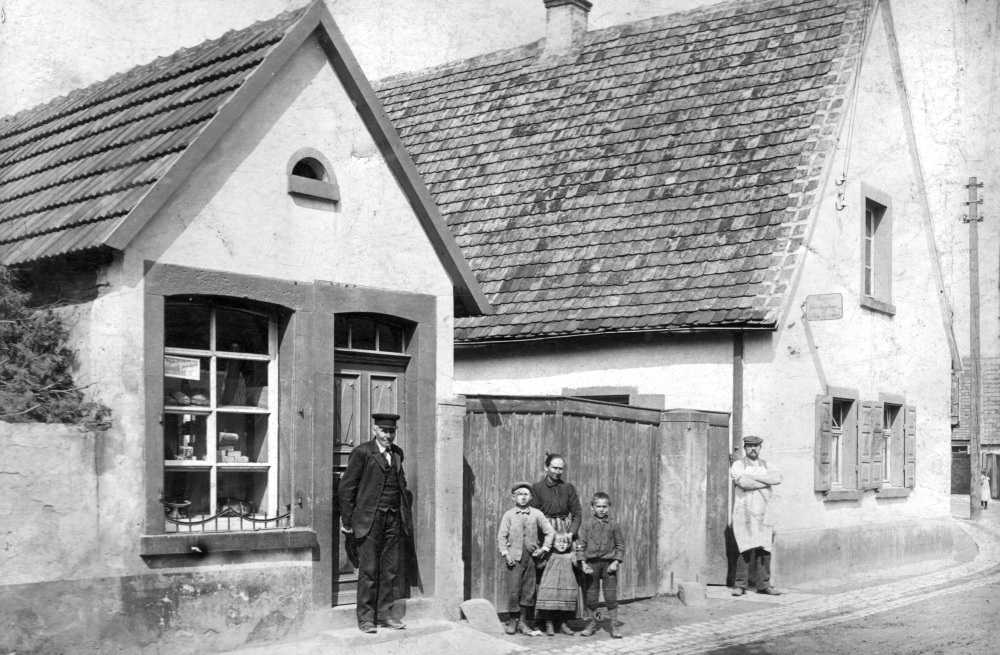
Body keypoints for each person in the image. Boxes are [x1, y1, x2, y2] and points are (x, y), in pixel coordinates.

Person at [338, 412, 413, 633]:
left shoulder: (397, 453)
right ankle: (366, 619)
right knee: (368, 570)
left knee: (389, 570)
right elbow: (346, 488)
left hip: (393, 519)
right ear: (374, 430)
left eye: (392, 431)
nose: (388, 435)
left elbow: (400, 482)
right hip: (368, 520)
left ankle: (384, 615)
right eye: (384, 431)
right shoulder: (362, 452)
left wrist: (402, 512)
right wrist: (348, 520)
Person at [498, 481, 555, 636]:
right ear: (513, 497)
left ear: (530, 497)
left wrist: (544, 549)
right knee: (513, 591)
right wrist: (505, 553)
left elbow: (550, 532)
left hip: (531, 559)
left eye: (526, 494)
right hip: (514, 559)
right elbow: (501, 536)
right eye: (519, 494)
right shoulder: (509, 515)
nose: (522, 497)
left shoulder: (537, 514)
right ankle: (513, 620)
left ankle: (523, 621)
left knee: (528, 590)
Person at [730, 435, 782, 596]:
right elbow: (743, 483)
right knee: (744, 546)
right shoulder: (739, 464)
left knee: (764, 547)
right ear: (745, 448)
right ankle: (740, 585)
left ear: (760, 448)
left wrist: (754, 477)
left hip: (763, 511)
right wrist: (765, 482)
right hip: (744, 511)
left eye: (756, 446)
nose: (753, 449)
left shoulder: (767, 464)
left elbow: (778, 478)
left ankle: (763, 585)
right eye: (750, 446)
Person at [576, 492, 625, 639]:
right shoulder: (586, 525)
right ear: (592, 507)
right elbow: (580, 546)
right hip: (591, 566)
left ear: (609, 507)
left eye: (605, 506)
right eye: (598, 506)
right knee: (592, 598)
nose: (601, 509)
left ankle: (614, 626)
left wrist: (616, 562)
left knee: (610, 597)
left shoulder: (613, 525)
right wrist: (583, 563)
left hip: (609, 566)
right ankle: (592, 623)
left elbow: (620, 545)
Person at [535, 532, 579, 636]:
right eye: (559, 542)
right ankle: (549, 624)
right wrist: (538, 558)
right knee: (549, 603)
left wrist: (583, 563)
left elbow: (578, 564)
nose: (562, 544)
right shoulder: (549, 555)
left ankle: (563, 625)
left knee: (565, 603)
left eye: (564, 542)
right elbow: (539, 565)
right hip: (550, 582)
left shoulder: (570, 555)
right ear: (553, 543)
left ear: (568, 545)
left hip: (566, 583)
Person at [530, 454, 583, 536]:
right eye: (554, 468)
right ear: (546, 467)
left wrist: (571, 532)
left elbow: (577, 513)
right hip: (543, 531)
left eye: (560, 469)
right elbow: (532, 514)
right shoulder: (537, 488)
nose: (557, 472)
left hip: (564, 532)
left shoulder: (568, 488)